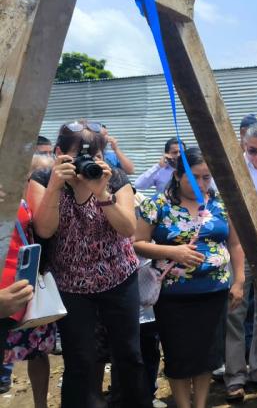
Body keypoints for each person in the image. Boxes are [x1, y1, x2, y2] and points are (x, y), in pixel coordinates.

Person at [27, 119, 150, 408]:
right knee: (79, 356)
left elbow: (128, 228)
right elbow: (44, 230)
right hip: (70, 283)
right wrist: (56, 185)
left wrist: (102, 193)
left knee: (129, 354)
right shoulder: (44, 179)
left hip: (119, 277)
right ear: (59, 153)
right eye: (77, 156)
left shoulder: (115, 178)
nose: (86, 164)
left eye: (93, 157)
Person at [134, 147, 245, 408]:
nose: (202, 183)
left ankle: (201, 404)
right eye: (195, 177)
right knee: (179, 355)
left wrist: (238, 281)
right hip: (174, 297)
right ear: (177, 175)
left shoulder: (220, 204)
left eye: (207, 177)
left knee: (207, 355)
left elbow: (236, 244)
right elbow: (136, 243)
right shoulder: (158, 205)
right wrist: (174, 252)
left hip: (214, 293)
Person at [224, 122, 257, 401]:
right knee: (235, 312)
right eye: (252, 150)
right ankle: (234, 375)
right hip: (238, 248)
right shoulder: (233, 169)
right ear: (244, 145)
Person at [1, 154, 57, 408]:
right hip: (4, 293)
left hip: (27, 285)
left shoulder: (26, 200)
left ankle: (40, 404)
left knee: (38, 352)